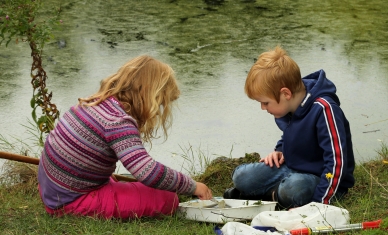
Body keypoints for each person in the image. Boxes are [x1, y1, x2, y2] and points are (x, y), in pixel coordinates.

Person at [37, 55, 212, 219]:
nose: (158, 112)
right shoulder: (117, 121)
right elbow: (147, 172)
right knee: (168, 199)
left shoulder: (98, 101)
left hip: (52, 189)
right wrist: (193, 186)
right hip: (71, 201)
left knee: (130, 185)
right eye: (159, 104)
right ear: (150, 97)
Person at [224, 46, 355, 209]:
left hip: (320, 179)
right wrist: (280, 151)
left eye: (265, 103)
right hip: (291, 168)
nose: (263, 108)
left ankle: (262, 196)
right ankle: (271, 195)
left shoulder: (324, 109)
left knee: (293, 188)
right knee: (241, 176)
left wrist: (320, 204)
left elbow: (337, 161)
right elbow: (291, 134)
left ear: (286, 94)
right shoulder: (290, 106)